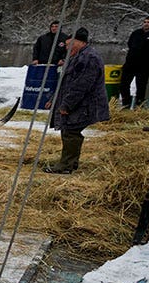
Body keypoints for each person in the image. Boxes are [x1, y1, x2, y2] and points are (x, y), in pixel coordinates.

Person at [44, 27, 109, 174]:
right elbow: (66, 82)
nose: (67, 48)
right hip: (78, 102)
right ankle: (70, 163)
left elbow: (82, 85)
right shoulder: (79, 56)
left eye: (69, 45)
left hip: (84, 104)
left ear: (79, 42)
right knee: (69, 130)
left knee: (71, 132)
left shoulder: (89, 58)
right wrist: (54, 100)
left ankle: (66, 165)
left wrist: (66, 105)